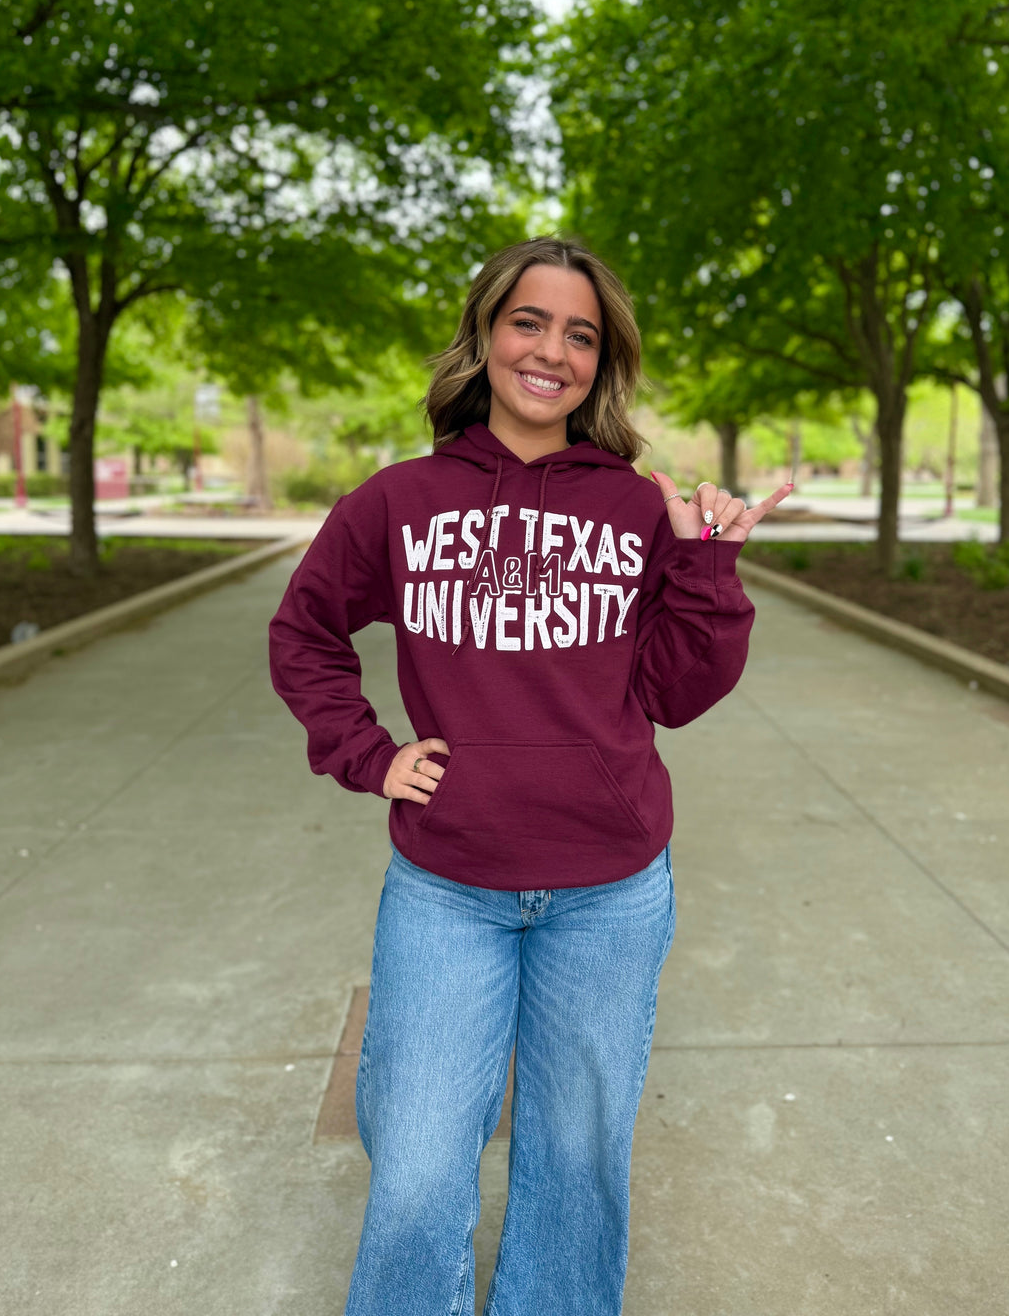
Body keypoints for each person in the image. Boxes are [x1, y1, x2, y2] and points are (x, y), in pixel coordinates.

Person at [268, 235, 792, 1315]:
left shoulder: (638, 509)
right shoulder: (402, 501)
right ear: (485, 333)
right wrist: (372, 755)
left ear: (603, 364)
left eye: (581, 334)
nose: (552, 349)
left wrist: (706, 567)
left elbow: (680, 691)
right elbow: (304, 633)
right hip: (447, 888)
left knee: (573, 1175)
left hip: (608, 894)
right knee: (414, 1171)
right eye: (529, 320)